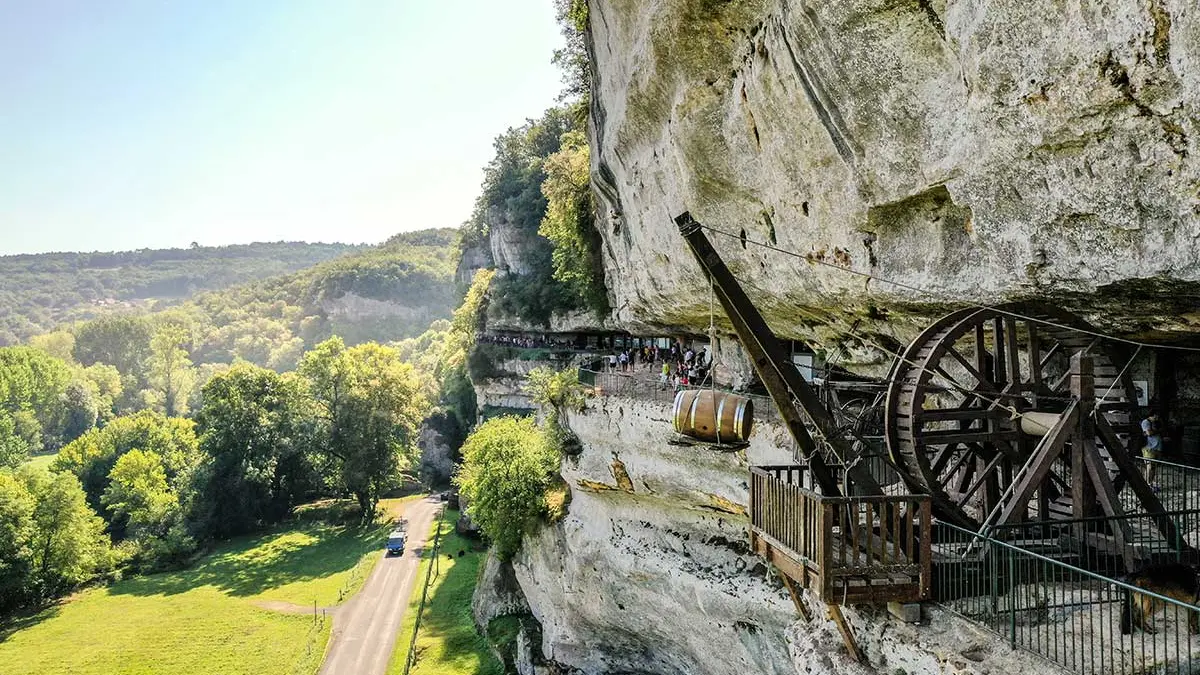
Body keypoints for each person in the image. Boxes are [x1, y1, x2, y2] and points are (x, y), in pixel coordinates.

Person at [1142, 413, 1163, 488]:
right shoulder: (1146, 422)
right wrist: (1158, 431)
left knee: (1153, 466)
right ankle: (1146, 484)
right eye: (1157, 416)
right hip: (1149, 447)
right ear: (1154, 415)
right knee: (1149, 466)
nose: (1158, 417)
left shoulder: (1155, 423)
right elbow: (1149, 433)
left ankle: (1150, 483)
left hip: (1157, 447)